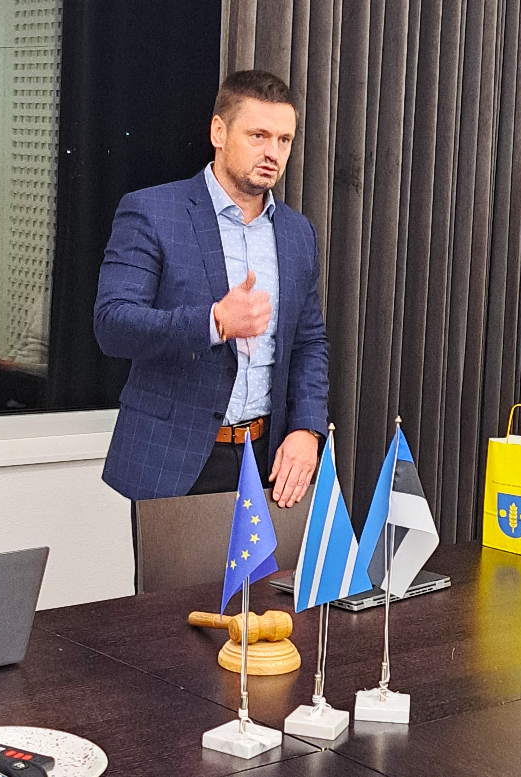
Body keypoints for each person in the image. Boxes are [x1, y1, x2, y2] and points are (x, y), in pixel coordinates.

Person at [94, 70, 329, 510]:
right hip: (175, 461)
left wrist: (307, 428)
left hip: (268, 459)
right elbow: (113, 325)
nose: (272, 153)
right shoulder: (152, 212)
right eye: (258, 136)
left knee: (271, 565)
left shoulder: (298, 233)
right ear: (218, 132)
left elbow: (309, 342)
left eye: (284, 140)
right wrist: (215, 322)